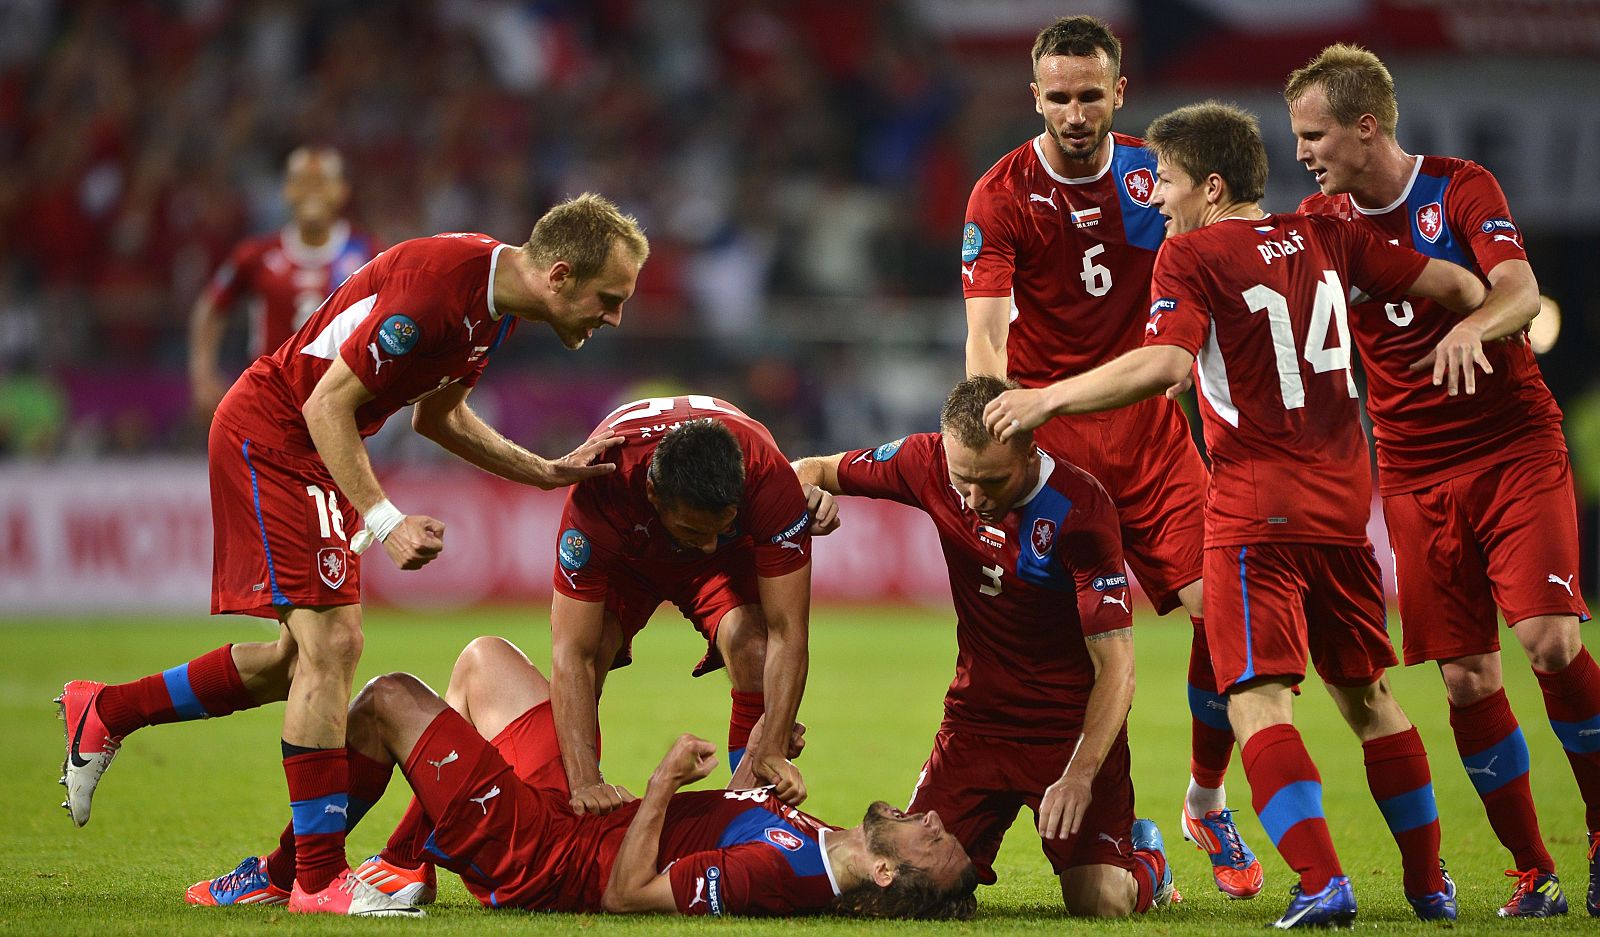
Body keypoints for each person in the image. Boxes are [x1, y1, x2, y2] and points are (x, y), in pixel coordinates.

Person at [56, 193, 650, 916]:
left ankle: (107, 710)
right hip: (275, 436)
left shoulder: (492, 306)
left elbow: (438, 414)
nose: (614, 316)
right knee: (334, 642)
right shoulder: (436, 294)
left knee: (295, 661)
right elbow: (324, 405)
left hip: (312, 449)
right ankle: (315, 878)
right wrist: (385, 519)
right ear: (559, 275)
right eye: (609, 298)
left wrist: (546, 470)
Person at [982, 102, 1492, 927]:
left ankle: (1322, 879)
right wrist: (1475, 332)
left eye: (1171, 184)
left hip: (1256, 511)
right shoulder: (1330, 233)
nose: (1158, 200)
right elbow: (1456, 284)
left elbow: (1161, 366)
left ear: (1211, 186)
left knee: (1256, 697)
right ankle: (1431, 886)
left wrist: (1045, 398)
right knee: (1369, 698)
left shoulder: (1191, 254)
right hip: (1343, 507)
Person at [1286, 44, 1596, 919]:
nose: (1304, 150)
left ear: (1365, 126)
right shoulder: (1322, 220)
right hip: (1414, 472)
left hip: (1512, 449)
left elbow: (1521, 292)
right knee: (1466, 678)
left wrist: (1474, 327)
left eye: (1315, 135)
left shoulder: (1460, 188)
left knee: (1550, 641)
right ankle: (1534, 870)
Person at [959, 16, 1256, 895]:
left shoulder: (1149, 176)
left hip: (1155, 444)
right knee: (1063, 656)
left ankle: (1206, 796)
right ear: (1035, 97)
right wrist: (1000, 451)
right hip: (1051, 451)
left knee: (1226, 618)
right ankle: (1114, 830)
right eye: (1059, 97)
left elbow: (1211, 264)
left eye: (1092, 95)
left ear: (1119, 93)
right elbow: (985, 345)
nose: (1076, 112)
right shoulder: (1000, 195)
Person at [348, 394, 830, 903]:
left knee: (754, 649)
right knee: (595, 646)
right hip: (631, 558)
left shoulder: (765, 479)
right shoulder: (603, 487)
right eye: (693, 529)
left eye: (719, 526)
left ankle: (746, 808)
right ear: (652, 493)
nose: (705, 543)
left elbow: (788, 634)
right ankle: (416, 852)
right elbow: (570, 653)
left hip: (724, 566)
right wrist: (584, 781)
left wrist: (772, 744)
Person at [184, 635, 979, 919]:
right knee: (485, 659)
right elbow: (733, 814)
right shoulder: (824, 841)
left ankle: (288, 873)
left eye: (930, 839)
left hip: (550, 855)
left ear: (886, 869)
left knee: (385, 699)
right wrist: (758, 773)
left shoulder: (777, 874)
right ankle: (405, 866)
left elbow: (627, 893)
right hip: (577, 813)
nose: (934, 820)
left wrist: (664, 779)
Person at [791, 377, 1174, 917]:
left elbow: (1117, 666)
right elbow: (814, 466)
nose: (974, 499)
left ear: (1030, 448)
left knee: (1102, 902)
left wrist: (1080, 773)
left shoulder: (1080, 511)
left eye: (992, 481)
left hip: (1066, 731)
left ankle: (1148, 860)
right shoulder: (924, 462)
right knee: (903, 888)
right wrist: (809, 497)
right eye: (962, 480)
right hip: (974, 726)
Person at [189, 147, 380, 420]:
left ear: (341, 190)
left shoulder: (368, 253)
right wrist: (202, 372)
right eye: (302, 182)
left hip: (343, 408)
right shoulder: (256, 255)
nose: (312, 192)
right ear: (288, 190)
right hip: (268, 404)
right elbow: (211, 306)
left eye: (322, 183)